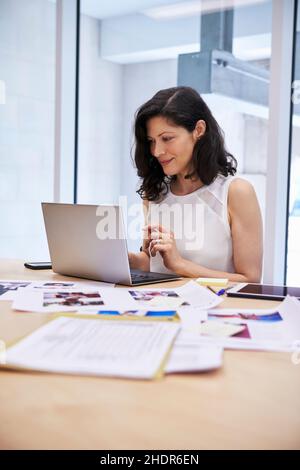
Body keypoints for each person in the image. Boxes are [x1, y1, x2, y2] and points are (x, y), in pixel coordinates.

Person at [128, 86, 263, 282]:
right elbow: (152, 261)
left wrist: (180, 264)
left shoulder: (236, 192)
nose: (156, 151)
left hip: (214, 309)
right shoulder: (154, 194)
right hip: (161, 307)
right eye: (151, 141)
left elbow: (250, 280)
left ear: (198, 130)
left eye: (167, 138)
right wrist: (128, 260)